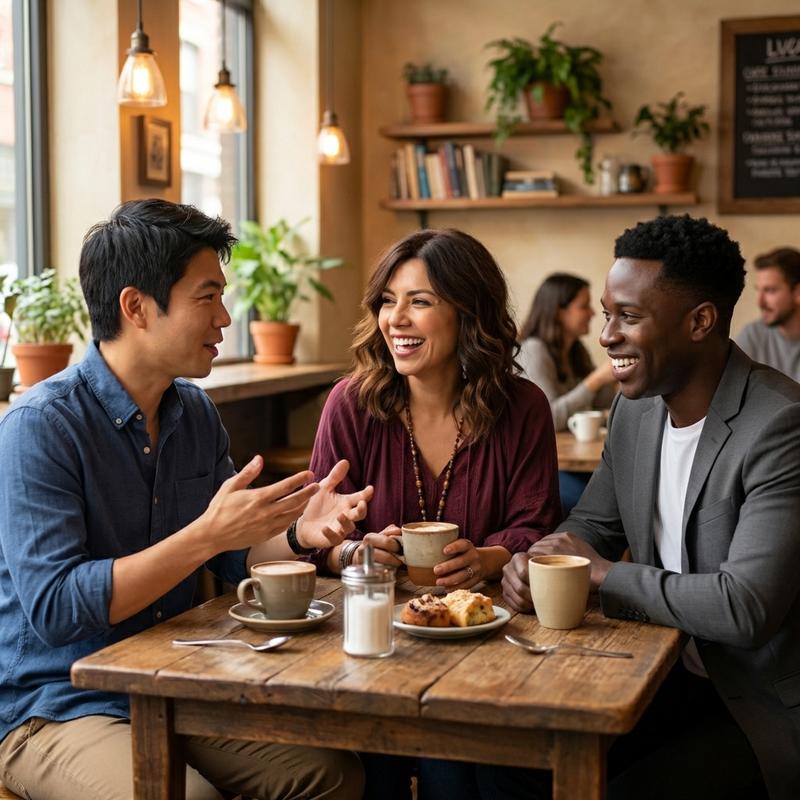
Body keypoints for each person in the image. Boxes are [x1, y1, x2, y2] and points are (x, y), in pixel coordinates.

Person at [0, 199, 371, 800]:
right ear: (136, 307)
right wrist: (207, 535)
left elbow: (233, 557)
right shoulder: (41, 425)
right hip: (55, 704)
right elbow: (57, 605)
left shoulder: (194, 412)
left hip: (171, 681)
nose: (226, 317)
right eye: (207, 296)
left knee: (329, 773)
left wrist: (301, 535)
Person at [502, 214, 799, 800]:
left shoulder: (780, 424)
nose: (607, 334)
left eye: (629, 316)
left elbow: (745, 608)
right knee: (520, 769)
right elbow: (591, 525)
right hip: (663, 675)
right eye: (608, 312)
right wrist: (538, 561)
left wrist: (603, 574)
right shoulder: (636, 412)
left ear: (699, 321)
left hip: (760, 703)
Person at [305, 228, 562, 800]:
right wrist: (352, 551)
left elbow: (536, 526)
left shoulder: (523, 408)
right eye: (387, 302)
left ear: (469, 314)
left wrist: (490, 559)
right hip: (373, 647)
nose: (396, 319)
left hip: (491, 647)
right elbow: (315, 531)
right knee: (379, 761)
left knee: (477, 770)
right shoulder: (350, 404)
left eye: (420, 301)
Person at [517, 273, 617, 515]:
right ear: (559, 311)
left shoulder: (575, 351)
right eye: (584, 306)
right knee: (597, 502)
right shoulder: (533, 349)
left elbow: (602, 405)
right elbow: (549, 418)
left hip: (568, 461)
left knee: (619, 491)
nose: (593, 313)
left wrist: (620, 380)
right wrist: (596, 380)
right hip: (537, 465)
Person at [735, 246, 800, 381]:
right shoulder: (752, 336)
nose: (760, 302)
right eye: (759, 290)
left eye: (770, 290)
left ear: (797, 292)